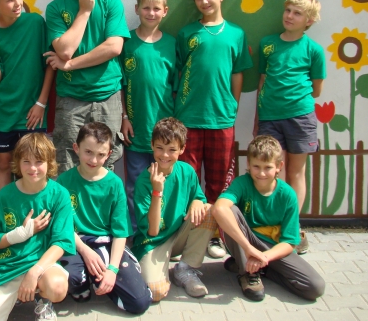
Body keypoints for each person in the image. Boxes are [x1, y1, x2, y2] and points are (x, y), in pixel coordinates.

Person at [174, 0, 253, 258]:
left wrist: (233, 105)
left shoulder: (236, 34)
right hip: (189, 117)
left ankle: (217, 236)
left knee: (220, 181)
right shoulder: (187, 34)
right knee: (188, 179)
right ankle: (187, 235)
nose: (204, 1)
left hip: (221, 118)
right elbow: (179, 72)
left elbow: (237, 72)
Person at [44, 0, 130, 173]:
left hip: (107, 95)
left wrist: (70, 65)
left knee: (105, 165)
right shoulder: (56, 7)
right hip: (71, 98)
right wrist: (84, 11)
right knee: (68, 164)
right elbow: (65, 50)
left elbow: (114, 47)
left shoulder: (111, 2)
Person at [0, 133, 76, 321]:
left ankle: (43, 301)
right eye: (26, 161)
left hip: (41, 264)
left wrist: (34, 272)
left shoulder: (59, 194)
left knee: (58, 287)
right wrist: (19, 234)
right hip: (7, 266)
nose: (32, 168)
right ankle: (16, 296)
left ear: (50, 163)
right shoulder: (5, 195)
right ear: (17, 163)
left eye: (39, 162)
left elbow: (62, 242)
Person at [212, 135, 325, 302]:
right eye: (256, 166)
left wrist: (265, 257)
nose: (262, 173)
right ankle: (248, 274)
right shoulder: (242, 183)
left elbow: (289, 242)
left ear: (279, 166)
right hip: (246, 242)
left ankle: (262, 268)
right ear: (248, 164)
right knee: (231, 210)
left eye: (268, 167)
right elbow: (219, 209)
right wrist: (249, 249)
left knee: (315, 287)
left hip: (273, 247)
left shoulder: (288, 195)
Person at [255, 0, 325, 254]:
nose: (290, 16)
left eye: (297, 13)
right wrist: (258, 117)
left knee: (295, 172)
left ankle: (291, 228)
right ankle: (273, 225)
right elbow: (262, 82)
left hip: (301, 117)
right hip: (269, 117)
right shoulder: (268, 44)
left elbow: (317, 89)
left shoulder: (313, 50)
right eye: (288, 10)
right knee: (274, 172)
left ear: (309, 20)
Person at [57, 123, 151, 314]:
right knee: (72, 279)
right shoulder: (64, 182)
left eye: (101, 154)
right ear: (76, 148)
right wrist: (85, 252)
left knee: (139, 303)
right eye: (88, 152)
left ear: (109, 154)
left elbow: (120, 233)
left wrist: (112, 270)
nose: (93, 160)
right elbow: (63, 227)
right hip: (75, 242)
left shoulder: (115, 183)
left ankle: (100, 279)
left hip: (105, 243)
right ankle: (82, 282)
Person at [0, 0, 55, 190]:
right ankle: (4, 210)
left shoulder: (35, 22)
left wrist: (41, 103)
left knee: (34, 164)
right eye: (10, 0)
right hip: (4, 112)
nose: (17, 3)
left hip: (33, 112)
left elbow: (50, 64)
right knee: (3, 163)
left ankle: (36, 209)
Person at [132, 117, 216, 302]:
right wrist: (157, 191)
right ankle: (157, 266)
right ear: (152, 145)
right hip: (153, 242)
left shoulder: (187, 171)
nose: (165, 155)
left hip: (178, 236)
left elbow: (199, 197)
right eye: (160, 148)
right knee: (155, 292)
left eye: (172, 149)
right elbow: (152, 231)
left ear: (182, 149)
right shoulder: (144, 182)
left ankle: (185, 269)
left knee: (210, 210)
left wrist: (197, 201)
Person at [120, 0, 176, 230]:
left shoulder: (172, 44)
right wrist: (124, 117)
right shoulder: (127, 43)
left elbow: (176, 87)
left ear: (165, 11)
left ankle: (163, 230)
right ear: (136, 9)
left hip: (164, 131)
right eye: (146, 8)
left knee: (164, 184)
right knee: (135, 183)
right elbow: (120, 85)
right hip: (136, 128)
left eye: (156, 8)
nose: (151, 13)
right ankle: (136, 231)